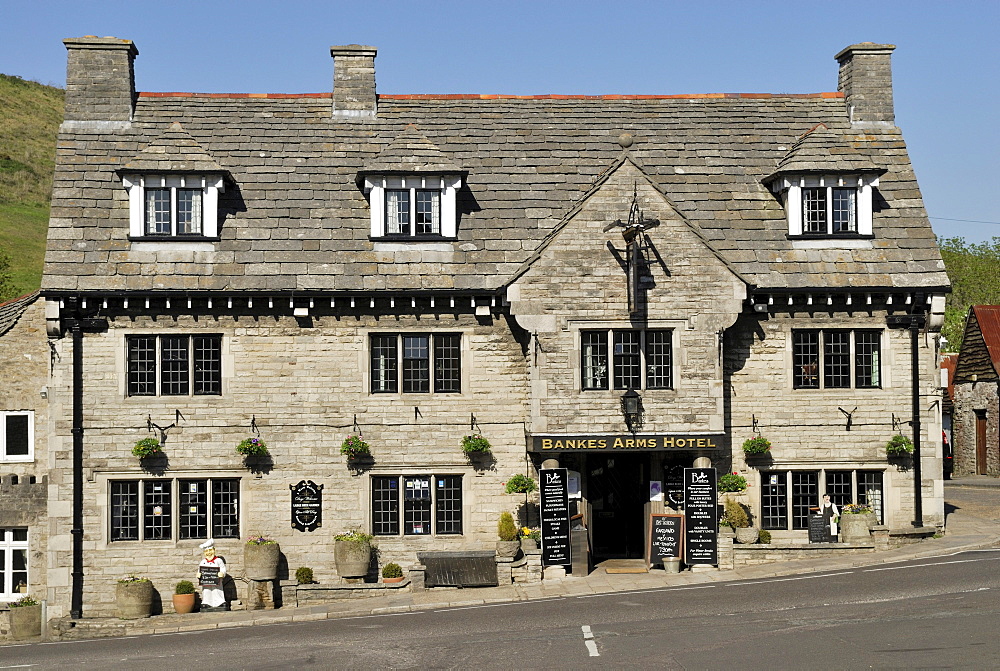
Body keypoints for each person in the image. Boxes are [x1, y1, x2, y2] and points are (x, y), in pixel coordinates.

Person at [198, 539, 228, 610]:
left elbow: (223, 569)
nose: (209, 553)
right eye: (207, 551)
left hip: (217, 580)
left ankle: (220, 602)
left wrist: (222, 573)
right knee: (206, 590)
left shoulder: (218, 561)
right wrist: (198, 574)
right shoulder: (203, 562)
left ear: (214, 550)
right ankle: (206, 602)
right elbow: (200, 570)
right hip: (206, 581)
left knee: (217, 590)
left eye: (210, 551)